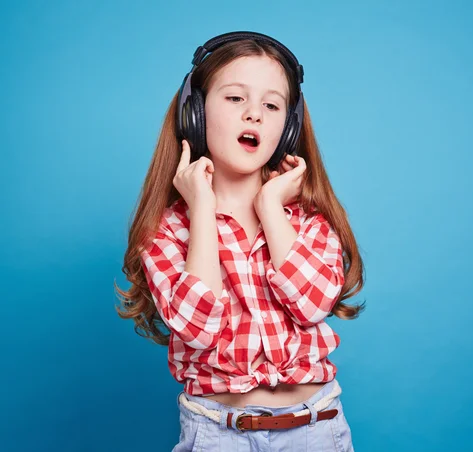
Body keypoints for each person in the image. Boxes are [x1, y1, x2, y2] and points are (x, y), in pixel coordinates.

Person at [115, 31, 366, 451]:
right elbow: (198, 327)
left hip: (315, 430)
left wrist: (270, 206)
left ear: (287, 129)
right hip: (217, 434)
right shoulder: (165, 231)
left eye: (271, 105)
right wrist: (200, 213)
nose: (255, 115)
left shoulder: (306, 220)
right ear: (194, 114)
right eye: (236, 99)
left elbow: (311, 304)